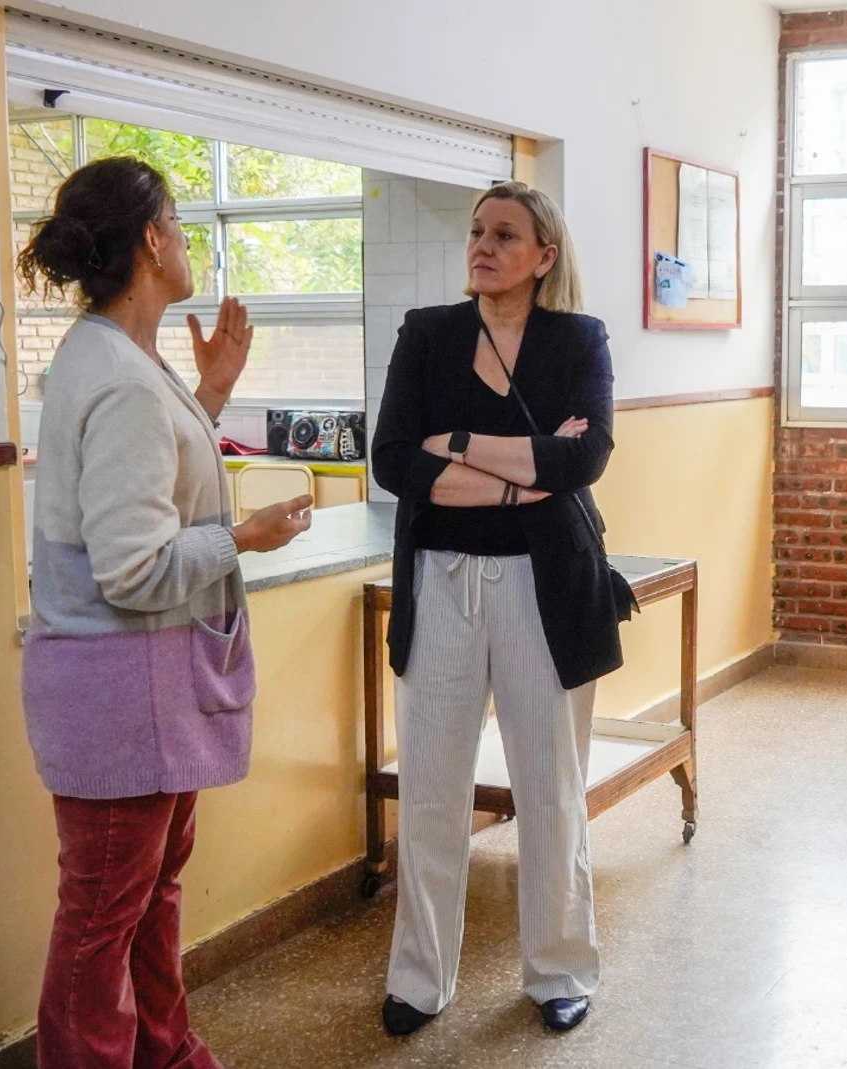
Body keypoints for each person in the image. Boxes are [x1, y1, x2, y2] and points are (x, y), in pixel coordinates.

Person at [17, 156, 314, 1068]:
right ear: (151, 240)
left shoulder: (122, 360)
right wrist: (245, 537)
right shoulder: (120, 379)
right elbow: (134, 569)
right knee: (102, 915)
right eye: (180, 225)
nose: (187, 243)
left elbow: (153, 481)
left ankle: (166, 1052)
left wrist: (210, 391)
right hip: (120, 700)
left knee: (149, 895)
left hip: (143, 693)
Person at [370, 181, 621, 1036]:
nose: (482, 245)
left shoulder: (578, 338)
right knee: (431, 790)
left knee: (548, 788)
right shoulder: (428, 333)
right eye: (477, 230)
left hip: (543, 586)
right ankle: (419, 977)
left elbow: (583, 461)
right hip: (439, 578)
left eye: (505, 234)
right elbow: (395, 460)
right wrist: (524, 478)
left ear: (544, 256)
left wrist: (461, 445)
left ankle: (559, 969)